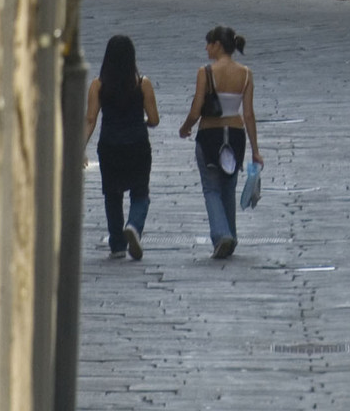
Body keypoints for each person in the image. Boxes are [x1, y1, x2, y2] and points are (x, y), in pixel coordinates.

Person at [179, 25, 262, 259]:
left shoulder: (205, 72)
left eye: (208, 43)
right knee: (228, 187)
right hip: (235, 135)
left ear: (217, 45)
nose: (206, 48)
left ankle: (221, 233)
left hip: (210, 135)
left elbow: (196, 110)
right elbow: (249, 114)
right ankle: (230, 236)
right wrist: (255, 150)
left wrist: (185, 128)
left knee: (211, 189)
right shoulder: (245, 73)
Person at [85, 34, 160, 260]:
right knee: (140, 192)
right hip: (137, 143)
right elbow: (154, 119)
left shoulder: (98, 85)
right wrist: (143, 122)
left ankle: (117, 245)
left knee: (112, 194)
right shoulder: (142, 83)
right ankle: (134, 226)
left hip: (109, 145)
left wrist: (80, 148)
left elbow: (90, 119)